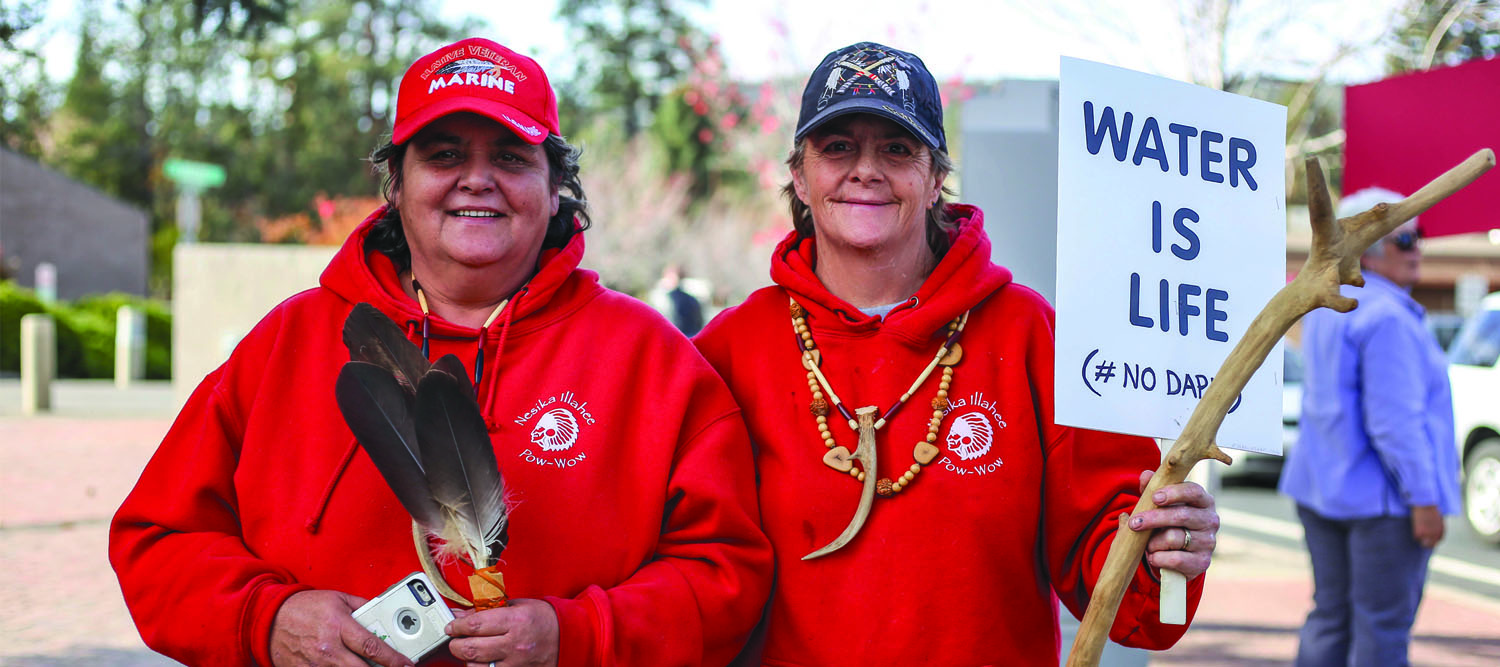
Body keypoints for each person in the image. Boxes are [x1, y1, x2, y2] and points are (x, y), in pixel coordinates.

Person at [110, 37, 771, 667]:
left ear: (555, 186)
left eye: (511, 157)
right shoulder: (288, 342)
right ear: (395, 183)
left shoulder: (653, 360)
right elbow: (156, 540)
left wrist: (581, 634)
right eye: (445, 155)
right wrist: (264, 618)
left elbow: (726, 573)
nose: (477, 180)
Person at [693, 42, 1220, 666]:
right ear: (801, 177)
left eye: (897, 148)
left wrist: (1165, 549)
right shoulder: (730, 349)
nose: (866, 169)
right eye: (838, 147)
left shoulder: (1032, 334)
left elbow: (1115, 571)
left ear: (936, 177)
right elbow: (691, 562)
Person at [1279, 186, 1461, 666]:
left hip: (1322, 489)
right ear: (1369, 247)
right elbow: (1395, 424)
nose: (1418, 249)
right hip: (1384, 505)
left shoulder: (1327, 304)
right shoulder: (1388, 318)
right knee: (1381, 629)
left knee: (1330, 616)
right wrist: (1425, 499)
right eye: (1404, 239)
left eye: (1418, 236)